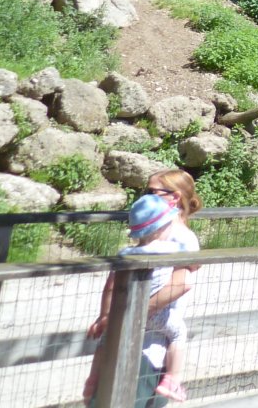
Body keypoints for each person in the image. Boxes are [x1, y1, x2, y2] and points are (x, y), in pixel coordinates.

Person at [83, 195, 190, 403]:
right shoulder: (171, 249)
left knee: (105, 339)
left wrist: (105, 316)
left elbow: (110, 286)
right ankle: (172, 379)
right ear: (160, 229)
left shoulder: (126, 253)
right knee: (178, 333)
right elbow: (189, 266)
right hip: (157, 314)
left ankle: (93, 380)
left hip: (123, 311)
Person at [145, 169, 203, 400]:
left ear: (174, 197)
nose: (146, 198)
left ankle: (172, 378)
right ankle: (173, 379)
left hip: (155, 331)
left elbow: (182, 281)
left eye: (152, 192)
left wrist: (139, 311)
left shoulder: (183, 237)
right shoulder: (156, 232)